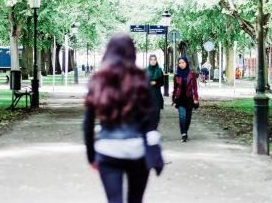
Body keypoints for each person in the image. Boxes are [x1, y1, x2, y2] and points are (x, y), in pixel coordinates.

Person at [83, 34, 158, 203]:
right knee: (135, 199)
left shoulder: (98, 79)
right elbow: (151, 118)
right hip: (136, 149)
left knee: (114, 200)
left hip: (107, 149)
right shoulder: (141, 78)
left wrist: (91, 156)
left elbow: (88, 123)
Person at [172, 56, 199, 142]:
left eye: (183, 62)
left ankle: (185, 130)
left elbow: (195, 87)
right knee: (182, 116)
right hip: (180, 98)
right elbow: (175, 88)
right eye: (179, 63)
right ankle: (183, 134)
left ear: (186, 63)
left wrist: (195, 98)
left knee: (188, 118)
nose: (181, 64)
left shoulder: (192, 74)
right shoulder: (176, 75)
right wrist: (173, 98)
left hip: (189, 98)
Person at [146, 54, 164, 128]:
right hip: (148, 95)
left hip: (157, 95)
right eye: (151, 60)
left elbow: (162, 82)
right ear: (149, 61)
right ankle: (150, 129)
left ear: (156, 61)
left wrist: (156, 82)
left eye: (154, 60)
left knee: (156, 114)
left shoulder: (159, 70)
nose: (153, 61)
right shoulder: (145, 71)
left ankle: (154, 129)